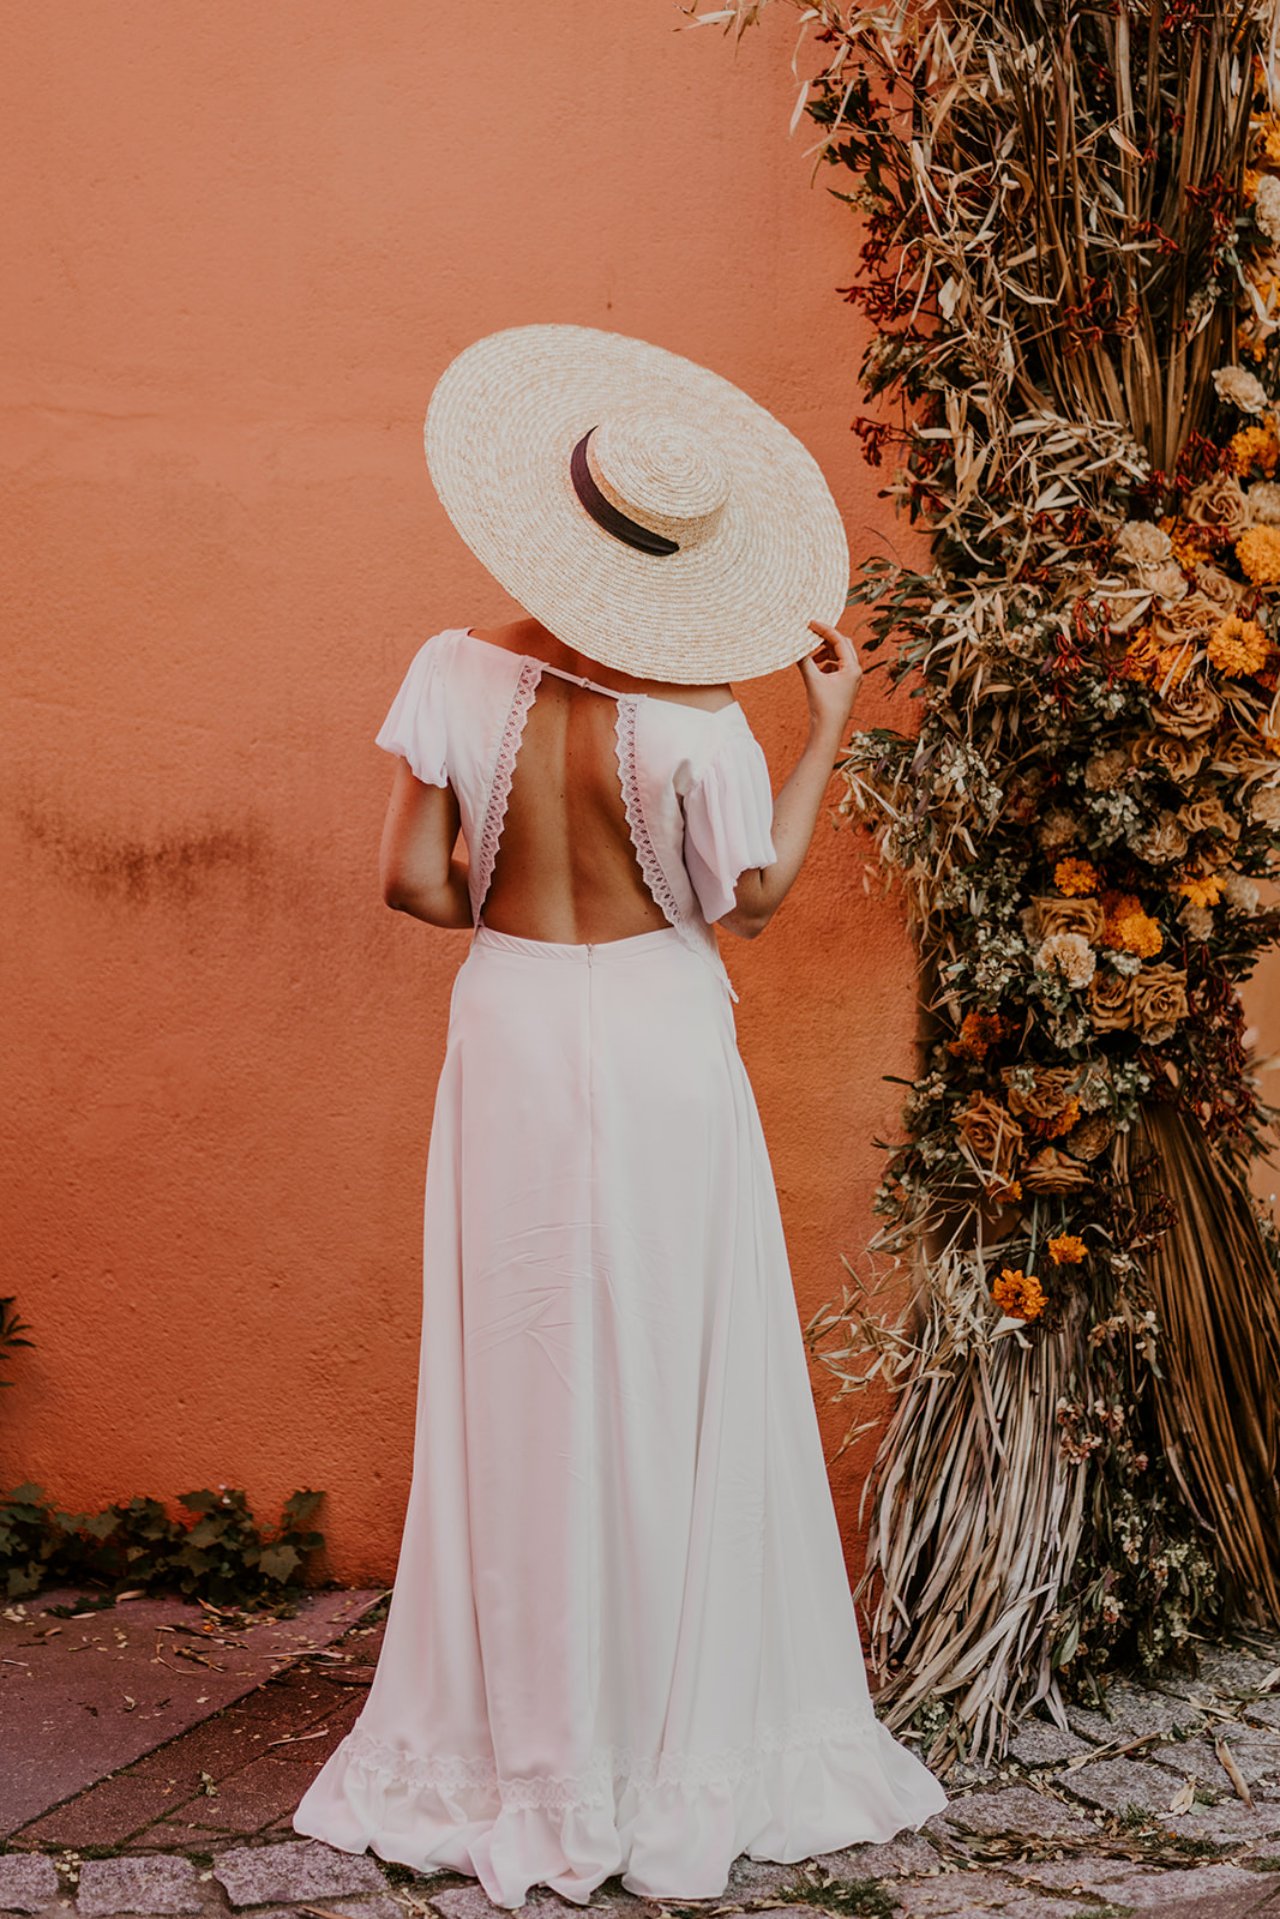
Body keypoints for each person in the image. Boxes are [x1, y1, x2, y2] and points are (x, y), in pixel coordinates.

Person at [292, 325, 948, 1908]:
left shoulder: (453, 668)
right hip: (659, 1031)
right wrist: (829, 725)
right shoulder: (706, 721)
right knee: (672, 1355)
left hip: (512, 1021)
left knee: (518, 1358)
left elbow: (408, 882)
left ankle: (523, 1732)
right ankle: (674, 1716)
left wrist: (514, 913)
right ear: (674, 565)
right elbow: (762, 898)